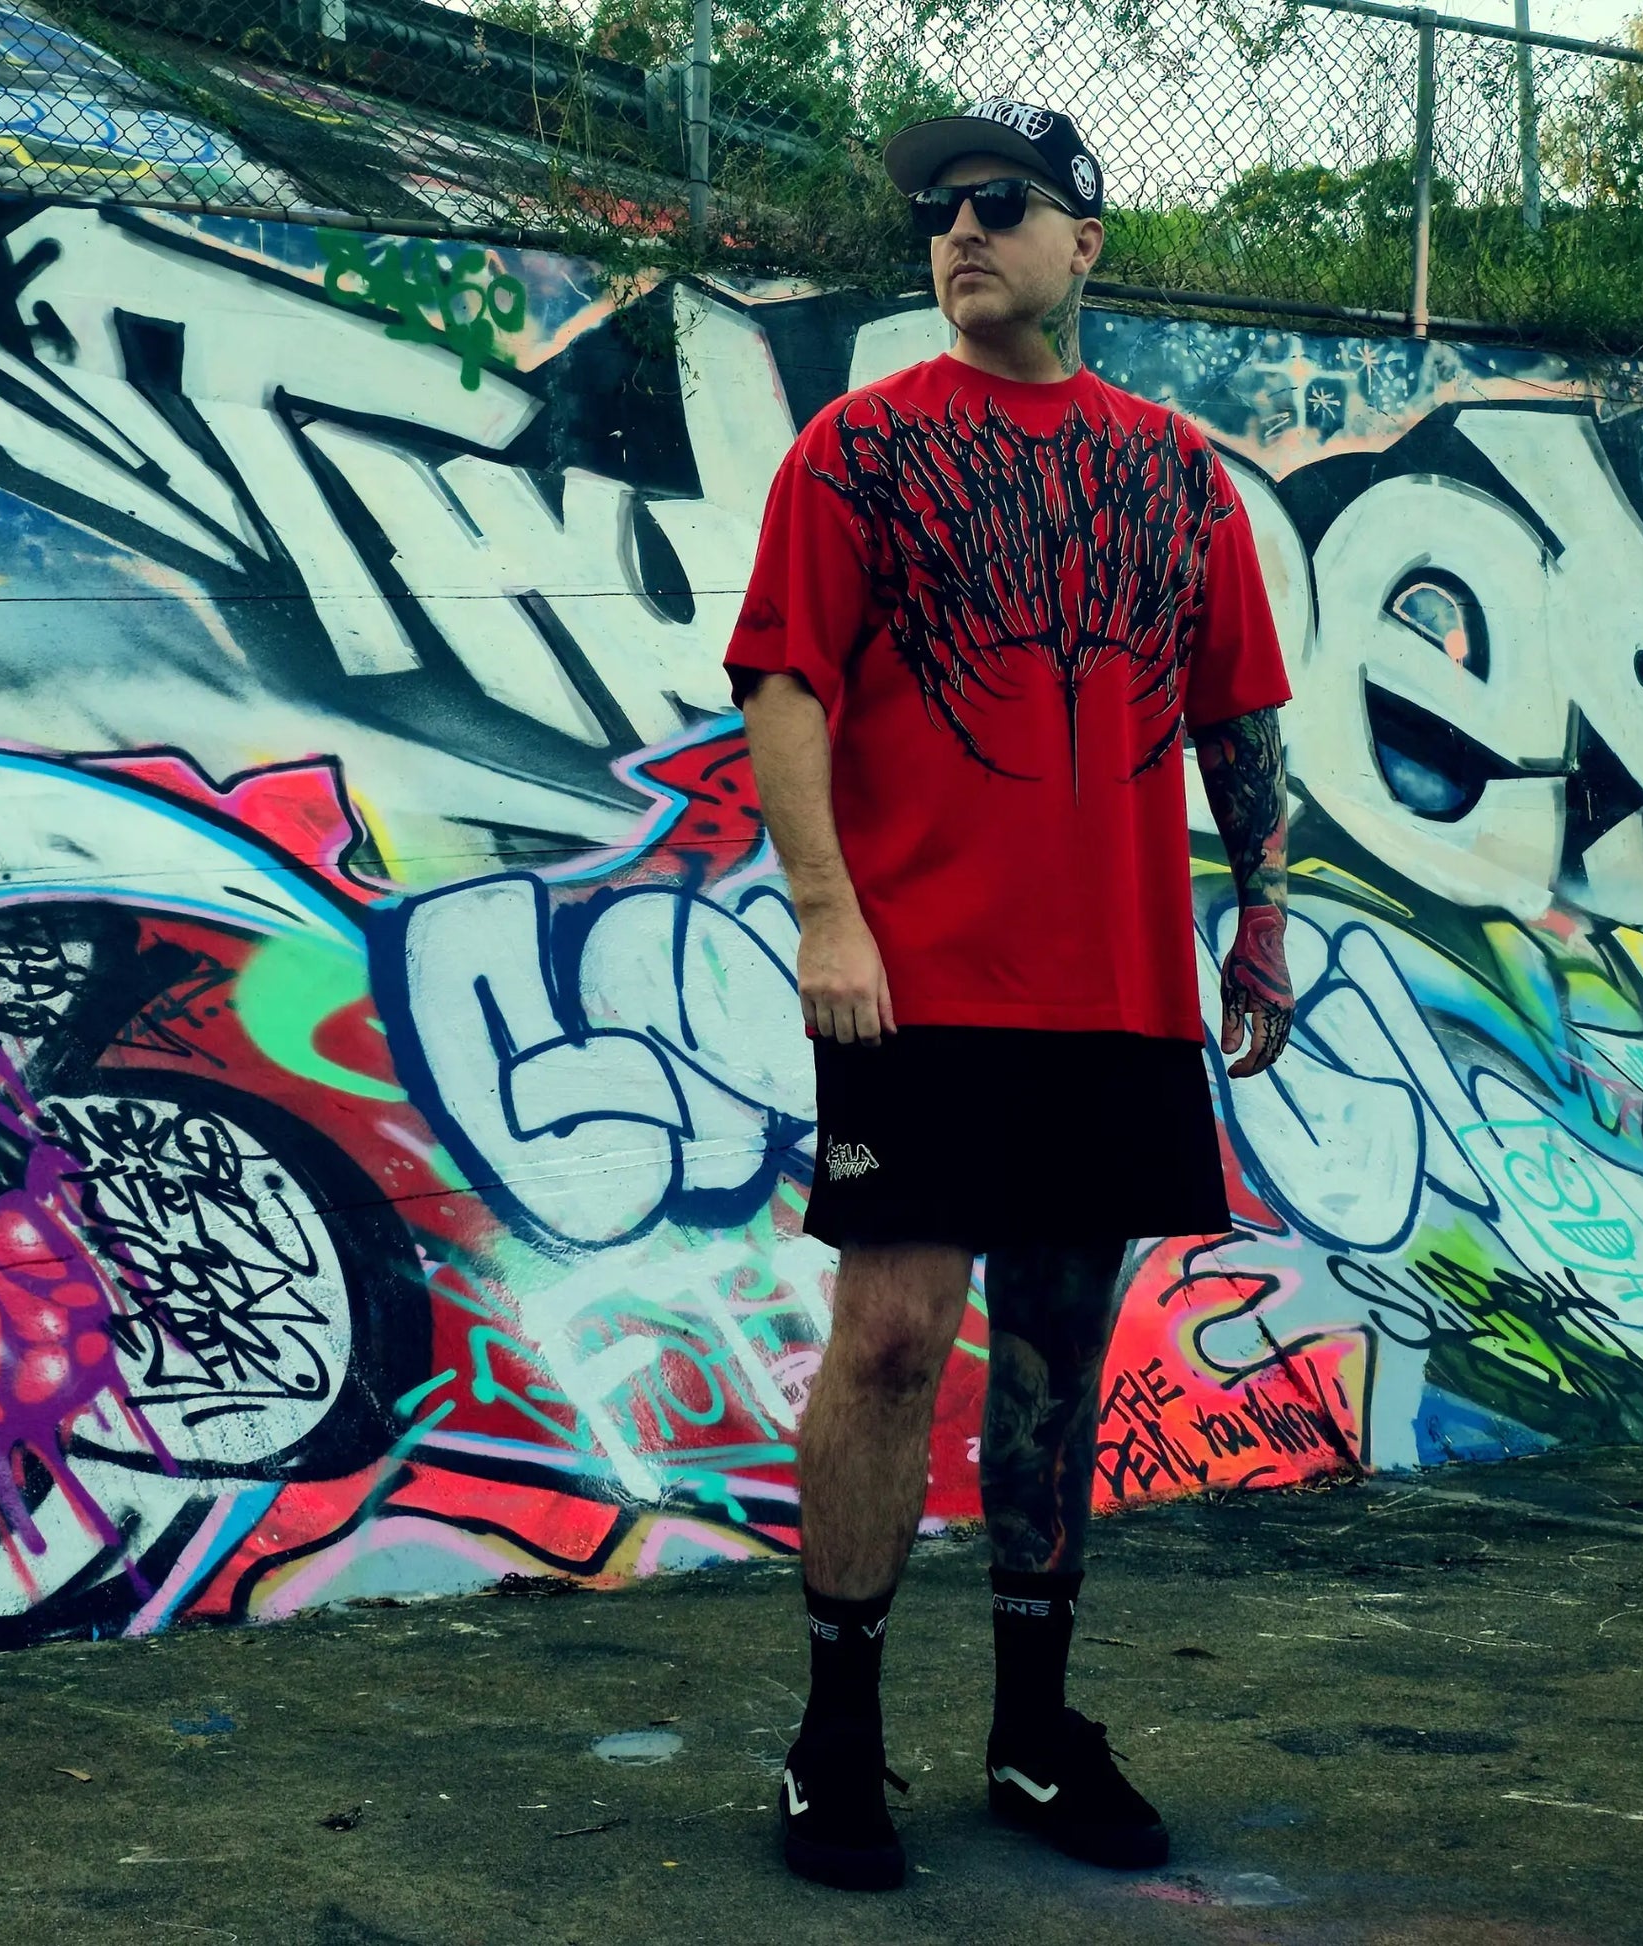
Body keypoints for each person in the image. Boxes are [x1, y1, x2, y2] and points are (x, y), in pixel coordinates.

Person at [724, 96, 1295, 1893]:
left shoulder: (1180, 472)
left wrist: (1261, 920)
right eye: (937, 213)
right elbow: (783, 684)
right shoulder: (855, 452)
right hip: (918, 987)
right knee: (890, 1340)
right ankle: (835, 1740)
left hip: (1114, 992)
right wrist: (830, 913)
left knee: (1055, 1362)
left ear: (1083, 245)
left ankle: (1034, 1733)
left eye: (1000, 203)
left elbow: (1237, 722)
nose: (959, 231)